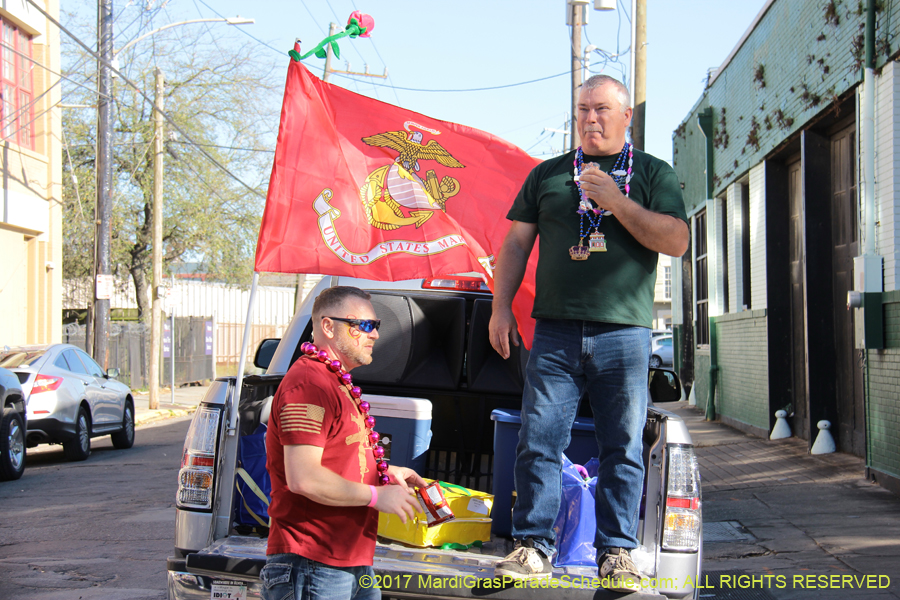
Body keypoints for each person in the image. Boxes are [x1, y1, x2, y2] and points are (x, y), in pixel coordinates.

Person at [489, 75, 688, 592]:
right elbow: (514, 245)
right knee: (538, 440)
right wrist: (501, 307)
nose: (590, 119)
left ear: (627, 118)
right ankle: (532, 546)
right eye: (582, 110)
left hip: (624, 334)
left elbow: (677, 241)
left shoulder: (651, 173)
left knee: (622, 444)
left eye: (602, 109)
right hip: (554, 332)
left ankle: (617, 554)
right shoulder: (549, 175)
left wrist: (617, 201)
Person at [260, 286, 426, 600]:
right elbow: (304, 478)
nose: (374, 334)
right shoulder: (309, 385)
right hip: (311, 563)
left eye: (376, 326)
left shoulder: (333, 381)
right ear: (327, 326)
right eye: (364, 325)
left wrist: (384, 473)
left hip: (348, 561)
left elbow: (336, 459)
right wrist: (376, 496)